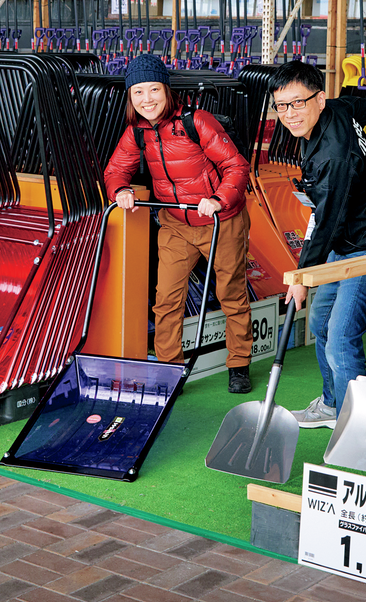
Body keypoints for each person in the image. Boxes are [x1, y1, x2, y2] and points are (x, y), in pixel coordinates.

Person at [102, 54, 256, 393]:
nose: (147, 99)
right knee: (166, 298)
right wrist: (121, 189)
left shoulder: (196, 121)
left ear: (166, 90)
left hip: (220, 221)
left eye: (153, 89)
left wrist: (217, 199)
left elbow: (237, 167)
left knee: (230, 291)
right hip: (175, 222)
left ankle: (239, 364)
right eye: (138, 92)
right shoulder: (137, 132)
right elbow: (115, 171)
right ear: (130, 97)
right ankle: (169, 371)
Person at [273, 60, 366, 429]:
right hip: (343, 239)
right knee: (321, 321)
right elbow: (353, 104)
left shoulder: (332, 157)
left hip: (365, 246)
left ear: (319, 99)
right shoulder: (335, 109)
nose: (290, 114)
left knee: (339, 337)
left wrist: (301, 276)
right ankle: (333, 404)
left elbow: (326, 220)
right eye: (281, 105)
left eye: (298, 103)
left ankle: (355, 424)